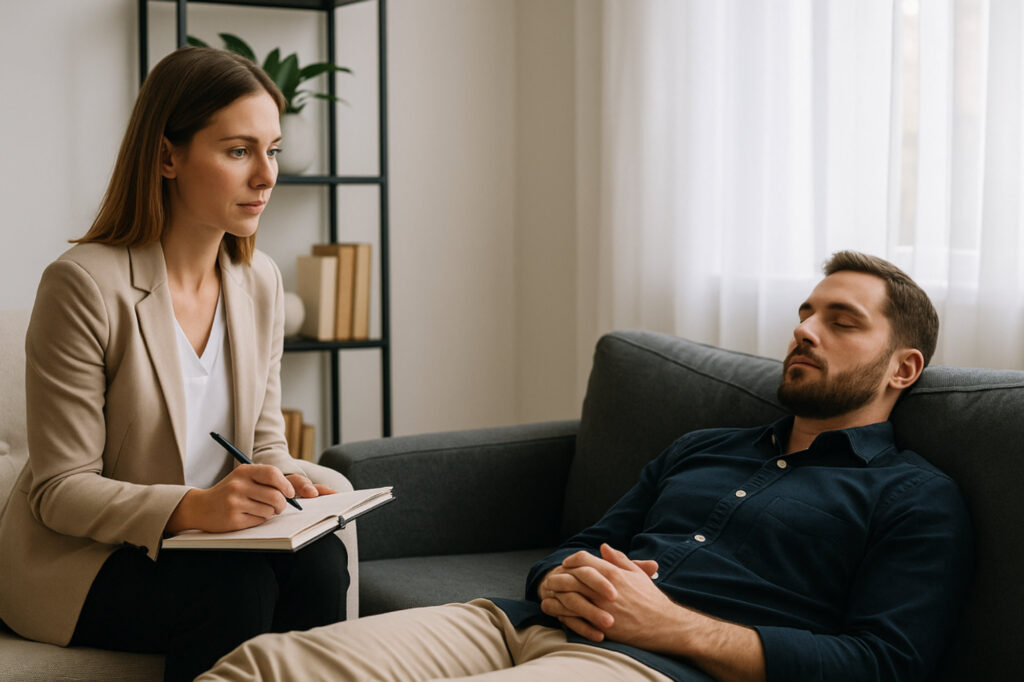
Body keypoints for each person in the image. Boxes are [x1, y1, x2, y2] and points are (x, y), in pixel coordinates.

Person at [198, 251, 973, 682]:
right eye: (806, 312)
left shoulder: (914, 497)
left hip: (655, 669)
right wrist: (555, 576)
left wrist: (677, 628)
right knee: (263, 667)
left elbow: (884, 665)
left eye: (841, 321)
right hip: (515, 624)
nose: (805, 330)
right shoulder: (704, 448)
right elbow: (581, 542)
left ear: (903, 367)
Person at [0, 47, 350, 681]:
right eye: (238, 151)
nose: (266, 176)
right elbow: (60, 490)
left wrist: (284, 483)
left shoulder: (261, 281)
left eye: (271, 151)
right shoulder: (82, 285)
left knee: (321, 562)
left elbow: (264, 440)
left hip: (211, 546)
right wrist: (194, 507)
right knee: (233, 588)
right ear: (167, 156)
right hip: (88, 559)